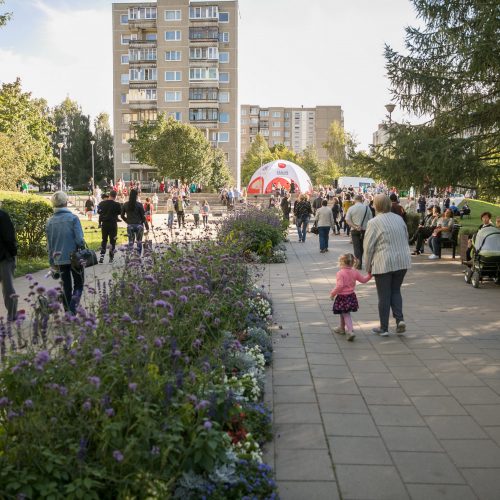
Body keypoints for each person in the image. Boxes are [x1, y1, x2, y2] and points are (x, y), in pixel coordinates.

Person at [363, 194, 411, 336]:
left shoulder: (374, 222)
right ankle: (399, 319)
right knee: (395, 291)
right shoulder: (399, 219)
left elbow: (369, 247)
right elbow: (406, 237)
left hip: (383, 261)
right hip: (402, 261)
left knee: (384, 295)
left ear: (376, 205)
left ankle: (384, 328)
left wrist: (368, 266)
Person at [46, 191, 85, 314]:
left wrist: (52, 262)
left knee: (66, 286)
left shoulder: (49, 221)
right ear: (66, 202)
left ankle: (67, 310)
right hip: (75, 258)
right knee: (79, 283)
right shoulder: (73, 218)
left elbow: (49, 244)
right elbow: (79, 240)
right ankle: (72, 309)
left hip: (59, 258)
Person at [330, 253, 372, 342]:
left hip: (342, 297)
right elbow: (363, 280)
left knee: (346, 314)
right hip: (351, 296)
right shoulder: (355, 271)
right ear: (353, 262)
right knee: (343, 312)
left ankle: (350, 331)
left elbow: (340, 286)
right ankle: (341, 328)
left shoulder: (340, 273)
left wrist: (333, 293)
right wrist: (370, 275)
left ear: (342, 262)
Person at [0, 208, 20, 321]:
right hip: (4, 256)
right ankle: (12, 315)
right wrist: (13, 253)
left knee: (7, 287)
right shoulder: (2, 215)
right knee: (7, 287)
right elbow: (9, 237)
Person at [345, 194, 373, 268]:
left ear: (355, 200)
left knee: (356, 247)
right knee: (362, 247)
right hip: (364, 230)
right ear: (362, 200)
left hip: (354, 230)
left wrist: (355, 226)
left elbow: (347, 220)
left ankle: (358, 263)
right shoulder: (367, 208)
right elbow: (371, 220)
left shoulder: (351, 208)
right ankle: (359, 261)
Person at [121, 189, 149, 255]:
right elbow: (143, 216)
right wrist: (147, 227)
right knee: (139, 241)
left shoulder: (125, 204)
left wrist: (127, 221)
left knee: (131, 242)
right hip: (139, 225)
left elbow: (122, 216)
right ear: (136, 196)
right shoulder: (139, 205)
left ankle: (130, 256)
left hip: (130, 225)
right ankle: (138, 256)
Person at [97, 190, 122, 263]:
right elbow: (119, 212)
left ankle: (102, 256)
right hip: (113, 224)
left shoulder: (102, 203)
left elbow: (99, 212)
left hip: (104, 224)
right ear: (115, 196)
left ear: (109, 195)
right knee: (112, 241)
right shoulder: (117, 204)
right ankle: (111, 257)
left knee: (104, 240)